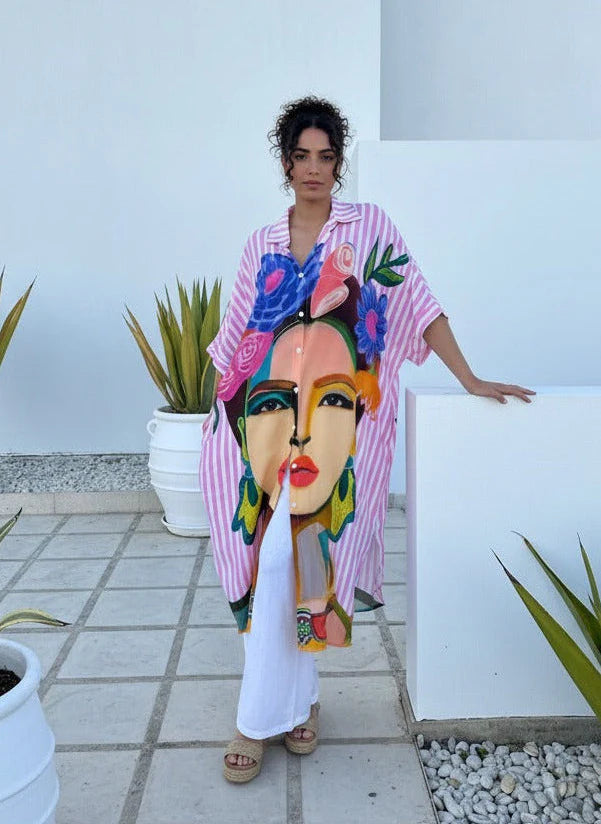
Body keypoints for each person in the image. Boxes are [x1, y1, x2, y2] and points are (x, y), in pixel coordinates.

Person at [199, 95, 535, 783]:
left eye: (326, 157)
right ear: (285, 163)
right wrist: (218, 423)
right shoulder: (260, 244)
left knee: (306, 564)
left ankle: (260, 720)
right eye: (301, 156)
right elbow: (236, 340)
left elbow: (419, 304)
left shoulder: (370, 229)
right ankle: (294, 705)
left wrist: (468, 377)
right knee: (267, 565)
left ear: (338, 163)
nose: (313, 169)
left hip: (334, 438)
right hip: (264, 433)